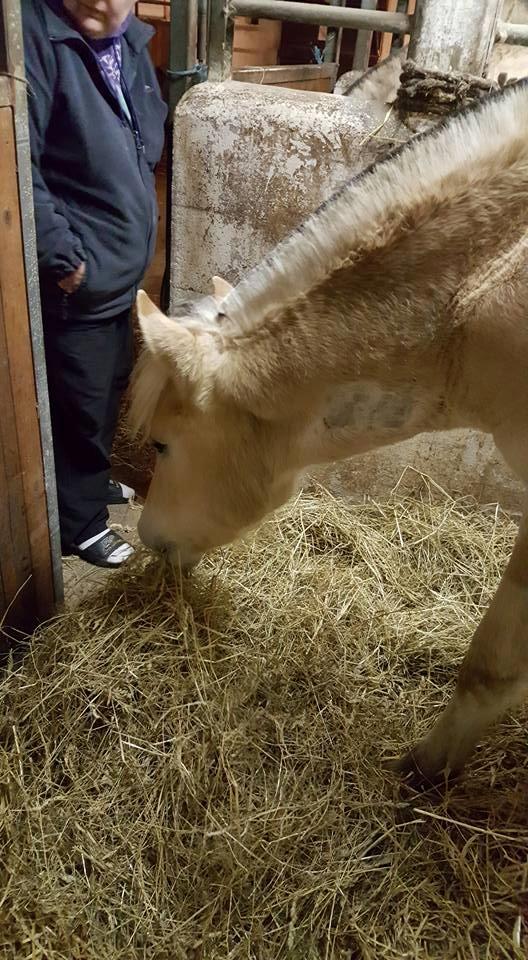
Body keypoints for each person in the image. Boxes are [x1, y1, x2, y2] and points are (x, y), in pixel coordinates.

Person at [22, 0, 167, 567]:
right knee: (79, 403)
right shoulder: (37, 37)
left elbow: (142, 138)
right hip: (79, 281)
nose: (97, 0)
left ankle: (86, 484)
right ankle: (76, 524)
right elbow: (16, 159)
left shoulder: (128, 43)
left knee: (107, 388)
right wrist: (63, 258)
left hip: (115, 277)